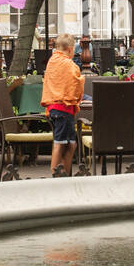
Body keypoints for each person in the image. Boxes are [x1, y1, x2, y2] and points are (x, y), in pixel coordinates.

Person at [41, 34, 83, 175]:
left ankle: (64, 173)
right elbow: (75, 83)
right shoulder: (69, 64)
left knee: (71, 144)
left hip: (54, 108)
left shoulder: (52, 61)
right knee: (60, 144)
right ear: (71, 49)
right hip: (64, 108)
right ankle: (55, 175)